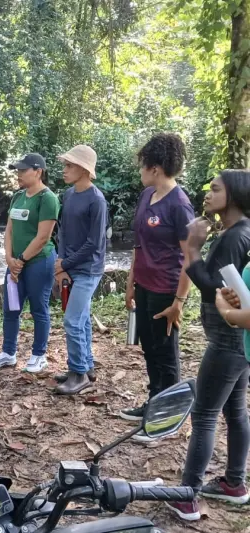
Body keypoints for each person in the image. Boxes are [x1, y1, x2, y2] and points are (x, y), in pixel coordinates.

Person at [165, 171, 250, 521]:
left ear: (234, 195)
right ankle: (235, 483)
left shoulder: (234, 236)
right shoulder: (240, 231)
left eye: (215, 189)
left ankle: (188, 496)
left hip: (228, 341)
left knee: (203, 415)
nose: (208, 194)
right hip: (239, 342)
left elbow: (211, 287)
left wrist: (193, 248)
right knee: (236, 411)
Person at [122, 133, 194, 428]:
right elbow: (139, 245)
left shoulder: (179, 204)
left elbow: (191, 257)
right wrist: (131, 281)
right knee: (149, 348)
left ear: (155, 168)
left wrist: (179, 302)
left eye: (142, 166)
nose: (140, 171)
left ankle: (169, 417)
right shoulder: (146, 197)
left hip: (167, 288)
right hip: (145, 284)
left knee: (166, 353)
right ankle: (154, 403)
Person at [0, 153, 60, 373]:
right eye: (17, 170)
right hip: (15, 264)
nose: (18, 174)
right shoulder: (18, 197)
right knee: (11, 308)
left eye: (23, 170)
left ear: (38, 172)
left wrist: (21, 260)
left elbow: (43, 237)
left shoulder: (48, 198)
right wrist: (9, 259)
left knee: (39, 308)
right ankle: (8, 353)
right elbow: (8, 230)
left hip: (39, 262)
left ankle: (39, 355)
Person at [53, 146, 108, 395]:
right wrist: (61, 261)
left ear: (84, 169)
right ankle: (85, 365)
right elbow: (62, 231)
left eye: (69, 166)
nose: (64, 170)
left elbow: (94, 243)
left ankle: (78, 374)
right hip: (71, 265)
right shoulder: (68, 195)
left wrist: (66, 264)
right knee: (82, 317)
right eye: (65, 165)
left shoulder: (96, 200)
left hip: (88, 269)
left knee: (72, 320)